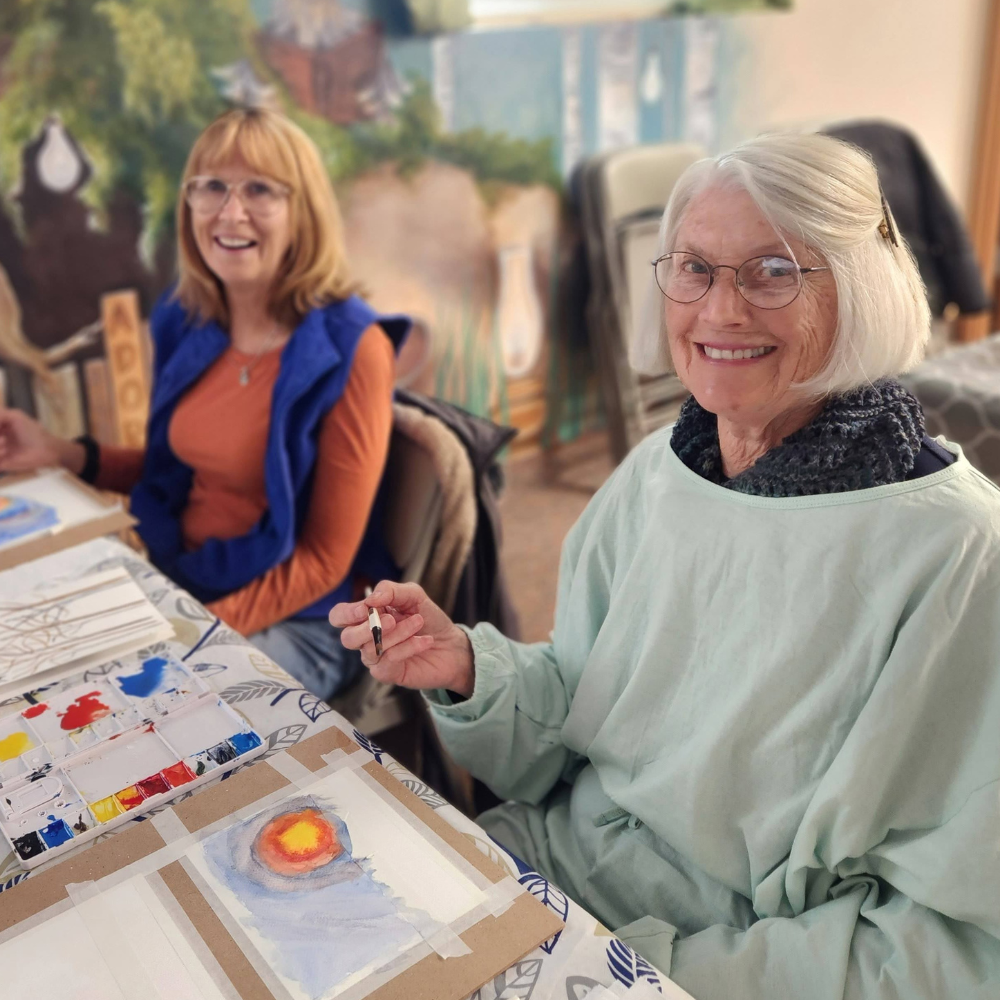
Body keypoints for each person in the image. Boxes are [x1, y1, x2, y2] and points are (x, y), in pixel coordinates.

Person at [331, 133, 1000, 998]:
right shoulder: (660, 470)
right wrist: (467, 669)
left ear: (861, 290)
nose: (720, 312)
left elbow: (953, 948)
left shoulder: (959, 556)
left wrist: (651, 974)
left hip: (719, 967)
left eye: (773, 272)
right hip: (546, 873)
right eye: (695, 268)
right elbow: (581, 716)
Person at [0, 108, 410, 702]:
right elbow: (173, 469)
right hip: (184, 578)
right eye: (212, 186)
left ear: (304, 210)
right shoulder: (187, 319)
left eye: (260, 190)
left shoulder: (355, 348)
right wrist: (63, 452)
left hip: (304, 619)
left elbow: (322, 560)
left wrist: (192, 632)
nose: (229, 211)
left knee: (133, 708)